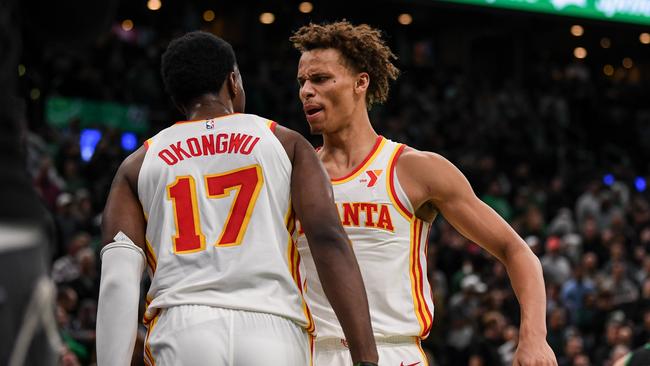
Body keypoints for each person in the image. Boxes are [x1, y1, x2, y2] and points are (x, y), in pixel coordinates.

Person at [96, 31, 378, 366]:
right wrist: (365, 356)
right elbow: (328, 238)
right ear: (233, 81)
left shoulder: (138, 163)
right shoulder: (285, 142)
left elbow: (118, 279)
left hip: (183, 328)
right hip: (273, 328)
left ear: (177, 98)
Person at [291, 21, 557, 365]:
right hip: (309, 353)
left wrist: (534, 337)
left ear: (361, 83)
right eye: (302, 82)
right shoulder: (292, 173)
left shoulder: (414, 169)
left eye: (321, 79)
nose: (306, 91)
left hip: (393, 350)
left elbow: (517, 251)